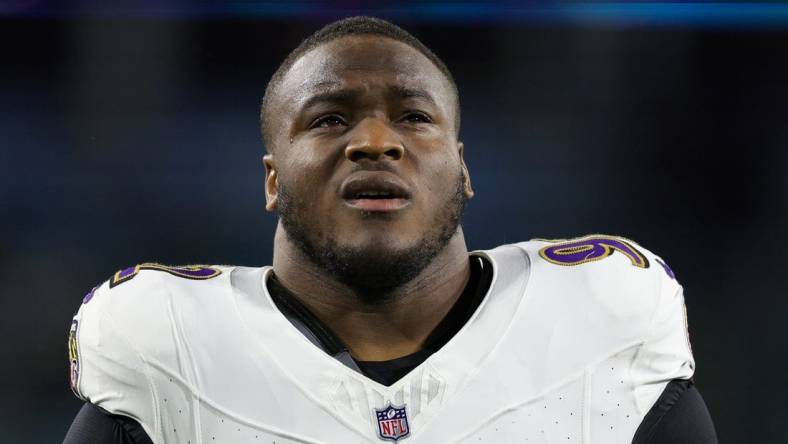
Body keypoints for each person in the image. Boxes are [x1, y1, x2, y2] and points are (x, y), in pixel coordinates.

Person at [63, 16, 717, 444]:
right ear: (272, 179)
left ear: (460, 168)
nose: (375, 142)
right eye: (328, 119)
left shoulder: (601, 321)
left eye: (412, 117)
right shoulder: (166, 349)